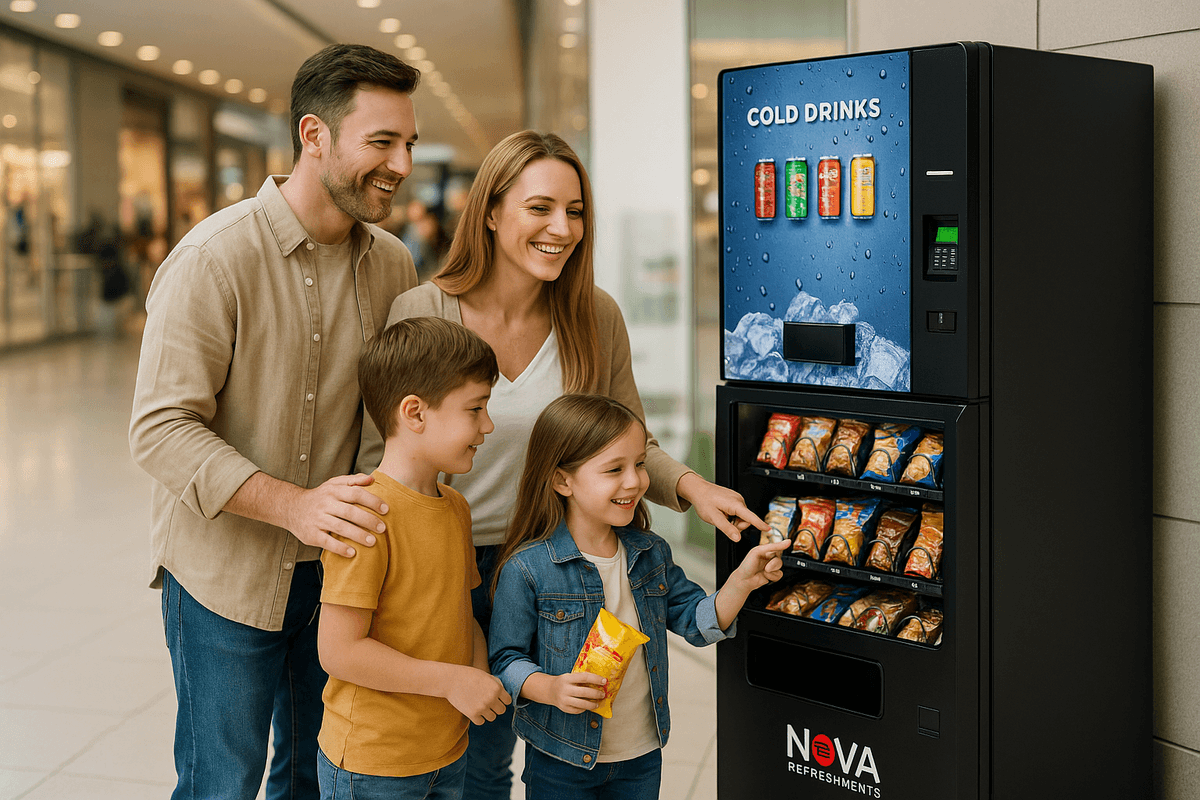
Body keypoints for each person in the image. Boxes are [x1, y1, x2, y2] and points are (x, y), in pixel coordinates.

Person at [386, 129, 770, 798]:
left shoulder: (593, 315)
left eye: (575, 211)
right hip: (450, 564)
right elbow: (390, 453)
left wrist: (693, 488)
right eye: (539, 208)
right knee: (473, 760)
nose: (561, 228)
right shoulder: (424, 311)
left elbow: (628, 440)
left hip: (559, 563)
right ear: (491, 211)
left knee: (572, 747)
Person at [129, 43, 421, 800]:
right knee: (221, 784)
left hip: (340, 578)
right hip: (225, 579)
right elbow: (160, 429)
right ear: (313, 135)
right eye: (381, 142)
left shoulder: (394, 265)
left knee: (312, 779)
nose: (402, 165)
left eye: (408, 143)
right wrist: (295, 507)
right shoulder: (213, 259)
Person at [488, 394, 789, 799]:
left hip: (641, 756)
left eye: (640, 464)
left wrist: (741, 583)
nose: (635, 481)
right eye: (615, 469)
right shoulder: (527, 569)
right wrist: (550, 689)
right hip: (560, 759)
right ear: (562, 481)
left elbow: (696, 622)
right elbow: (505, 660)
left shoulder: (651, 552)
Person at [317, 317, 511, 799]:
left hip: (446, 754)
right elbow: (339, 651)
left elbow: (460, 616)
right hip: (373, 766)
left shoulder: (457, 507)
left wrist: (478, 677)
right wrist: (452, 681)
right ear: (415, 413)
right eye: (475, 408)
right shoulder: (364, 515)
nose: (488, 425)